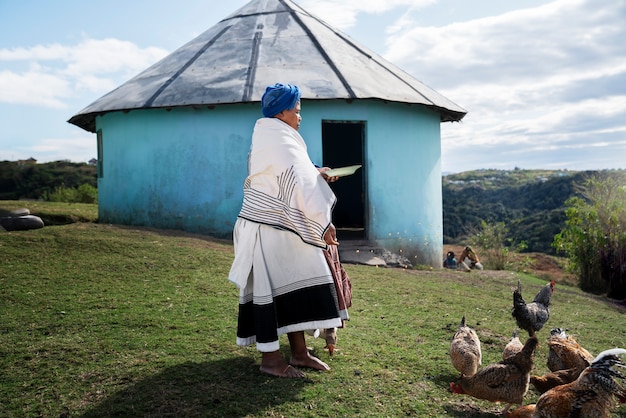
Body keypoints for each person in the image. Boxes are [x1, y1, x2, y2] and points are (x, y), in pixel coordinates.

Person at [228, 83, 344, 378]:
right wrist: (324, 222)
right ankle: (270, 361)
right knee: (271, 290)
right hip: (268, 230)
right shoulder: (279, 139)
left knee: (298, 281)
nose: (299, 116)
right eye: (296, 110)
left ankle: (300, 352)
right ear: (282, 111)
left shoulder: (271, 135)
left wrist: (316, 172)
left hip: (280, 227)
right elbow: (298, 181)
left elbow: (293, 174)